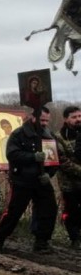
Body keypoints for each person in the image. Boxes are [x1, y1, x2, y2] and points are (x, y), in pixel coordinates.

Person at [0, 107, 58, 254]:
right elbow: (12, 154)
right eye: (42, 120)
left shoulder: (49, 135)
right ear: (32, 117)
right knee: (14, 211)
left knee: (48, 210)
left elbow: (55, 159)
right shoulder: (18, 134)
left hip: (42, 181)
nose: (44, 123)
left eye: (47, 121)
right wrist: (33, 157)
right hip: (22, 180)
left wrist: (49, 175)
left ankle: (41, 242)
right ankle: (0, 238)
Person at [54, 106, 81, 249]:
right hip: (69, 183)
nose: (78, 120)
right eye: (74, 117)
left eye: (79, 116)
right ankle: (75, 239)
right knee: (72, 211)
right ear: (66, 119)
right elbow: (62, 161)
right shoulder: (59, 137)